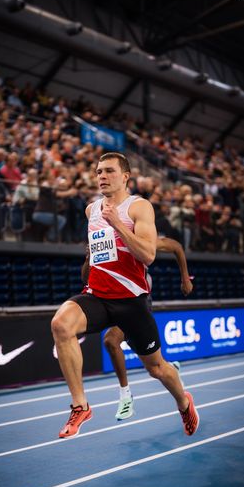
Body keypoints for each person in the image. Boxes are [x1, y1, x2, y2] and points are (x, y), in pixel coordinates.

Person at [51, 152, 199, 438]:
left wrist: (118, 223)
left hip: (131, 302)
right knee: (60, 324)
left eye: (108, 171)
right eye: (98, 172)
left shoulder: (139, 207)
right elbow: (97, 255)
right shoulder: (91, 210)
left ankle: (183, 402)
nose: (102, 177)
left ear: (125, 176)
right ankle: (80, 406)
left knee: (157, 369)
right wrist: (90, 260)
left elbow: (148, 254)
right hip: (97, 295)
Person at [101, 236, 193, 421]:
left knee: (111, 340)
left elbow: (176, 246)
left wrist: (185, 278)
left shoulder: (140, 234)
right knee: (151, 364)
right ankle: (169, 367)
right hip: (114, 299)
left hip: (137, 302)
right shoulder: (103, 238)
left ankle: (125, 396)